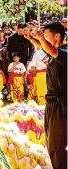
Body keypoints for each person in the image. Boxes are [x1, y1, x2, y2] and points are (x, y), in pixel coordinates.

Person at [24, 22, 67, 168]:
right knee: (51, 143)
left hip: (61, 105)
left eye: (46, 36)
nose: (44, 40)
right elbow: (45, 48)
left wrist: (40, 39)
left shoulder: (64, 52)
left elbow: (53, 51)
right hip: (51, 104)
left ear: (57, 36)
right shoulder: (51, 51)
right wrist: (30, 38)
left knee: (56, 146)